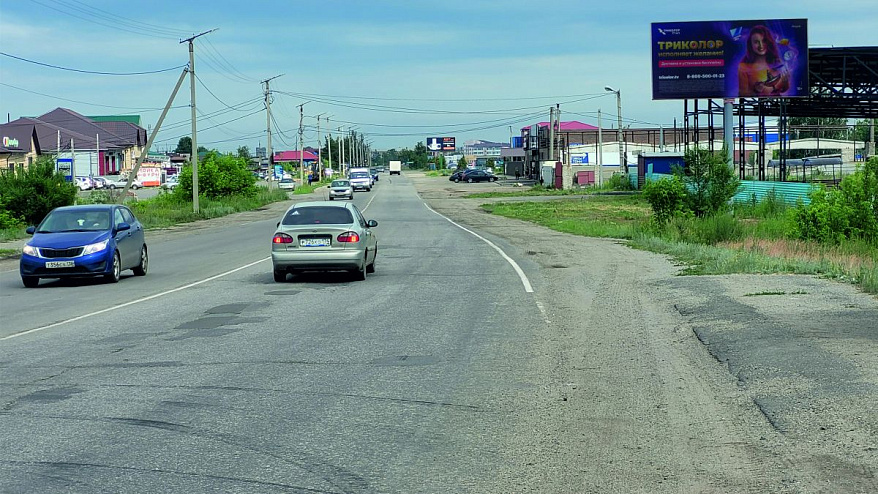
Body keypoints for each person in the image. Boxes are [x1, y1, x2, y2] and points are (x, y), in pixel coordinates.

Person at [737, 25, 790, 97]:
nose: (761, 46)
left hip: (778, 103)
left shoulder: (777, 61)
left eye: (764, 41)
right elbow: (742, 94)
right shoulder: (743, 67)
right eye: (756, 42)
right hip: (757, 103)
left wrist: (785, 81)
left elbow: (784, 89)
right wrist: (756, 91)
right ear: (750, 44)